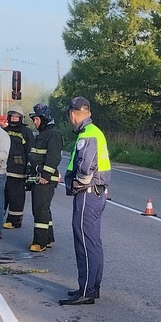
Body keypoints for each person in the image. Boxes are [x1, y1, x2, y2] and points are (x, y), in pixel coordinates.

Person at [60, 96, 110, 305]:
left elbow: (85, 167)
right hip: (96, 193)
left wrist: (75, 185)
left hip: (87, 194)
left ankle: (86, 291)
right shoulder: (94, 132)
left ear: (73, 114)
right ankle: (91, 286)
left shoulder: (87, 135)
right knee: (93, 242)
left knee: (84, 242)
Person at [27, 102, 62, 252]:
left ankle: (39, 242)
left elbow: (53, 158)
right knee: (43, 209)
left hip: (44, 179)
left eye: (36, 119)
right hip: (38, 177)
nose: (34, 122)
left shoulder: (53, 135)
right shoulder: (43, 134)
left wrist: (45, 175)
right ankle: (47, 238)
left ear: (44, 118)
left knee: (40, 209)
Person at [1, 107, 34, 230]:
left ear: (21, 118)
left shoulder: (26, 132)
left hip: (19, 171)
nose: (14, 119)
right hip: (4, 169)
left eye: (16, 117)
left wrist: (29, 169)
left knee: (16, 197)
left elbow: (30, 151)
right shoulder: (4, 131)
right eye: (12, 116)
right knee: (2, 196)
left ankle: (14, 221)